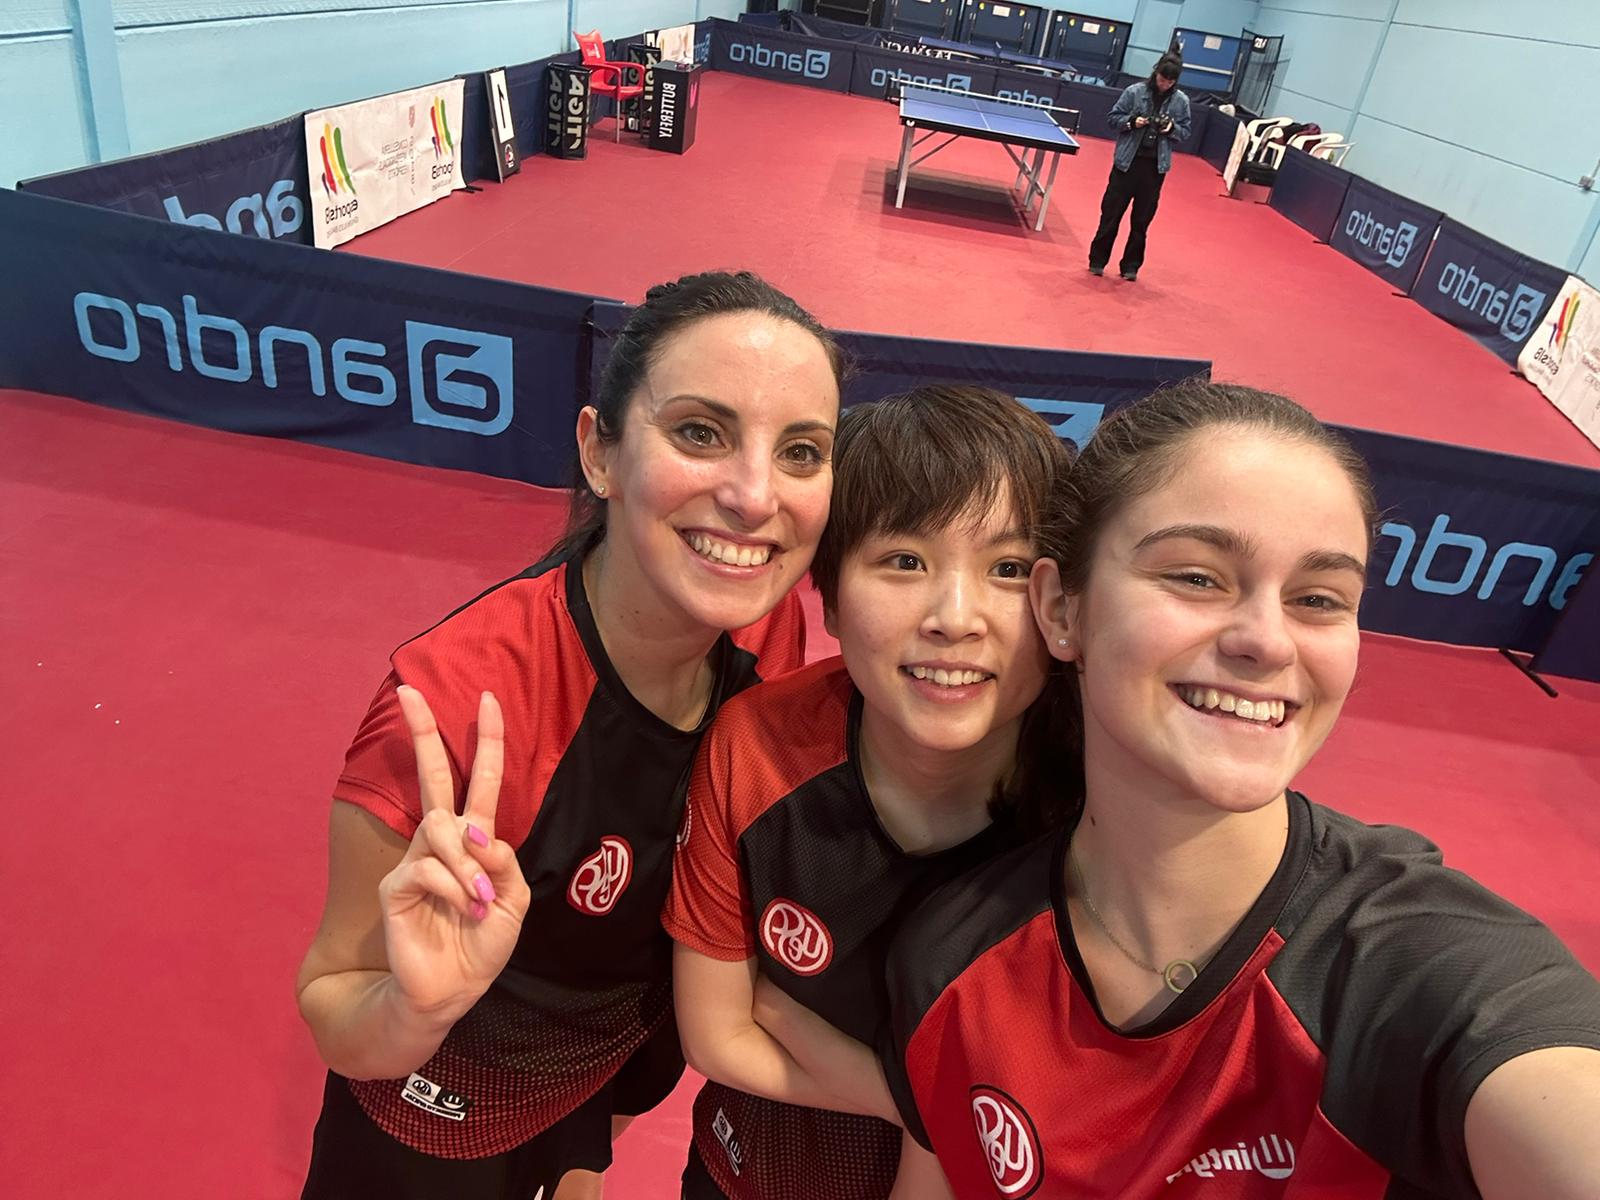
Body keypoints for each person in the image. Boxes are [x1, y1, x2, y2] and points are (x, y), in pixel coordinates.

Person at [880, 381, 1600, 1198]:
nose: (1266, 638)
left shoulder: (1414, 969)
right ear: (1060, 609)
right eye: (1197, 577)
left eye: (1318, 600)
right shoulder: (950, 955)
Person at [294, 270, 845, 1200]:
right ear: (600, 453)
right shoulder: (457, 707)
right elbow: (334, 1000)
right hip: (433, 1103)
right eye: (700, 432)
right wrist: (414, 1007)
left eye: (801, 452)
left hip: (604, 1074)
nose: (756, 496)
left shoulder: (769, 631)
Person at [663, 387, 1076, 1200]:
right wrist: (937, 1108)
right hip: (742, 1173)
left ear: (1063, 608)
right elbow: (716, 1034)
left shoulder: (1099, 808)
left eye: (1008, 569)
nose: (955, 618)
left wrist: (782, 1013)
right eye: (905, 561)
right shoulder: (754, 750)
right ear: (829, 594)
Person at [1088, 53, 1191, 282]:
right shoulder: (1134, 92)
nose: (1165, 85)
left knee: (1141, 223)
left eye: (1170, 82)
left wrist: (1171, 129)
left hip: (1154, 170)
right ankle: (1097, 261)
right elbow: (1113, 118)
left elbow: (1185, 132)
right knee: (1110, 216)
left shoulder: (1181, 101)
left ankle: (1130, 267)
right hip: (1126, 165)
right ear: (1156, 73)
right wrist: (1132, 122)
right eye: (1162, 79)